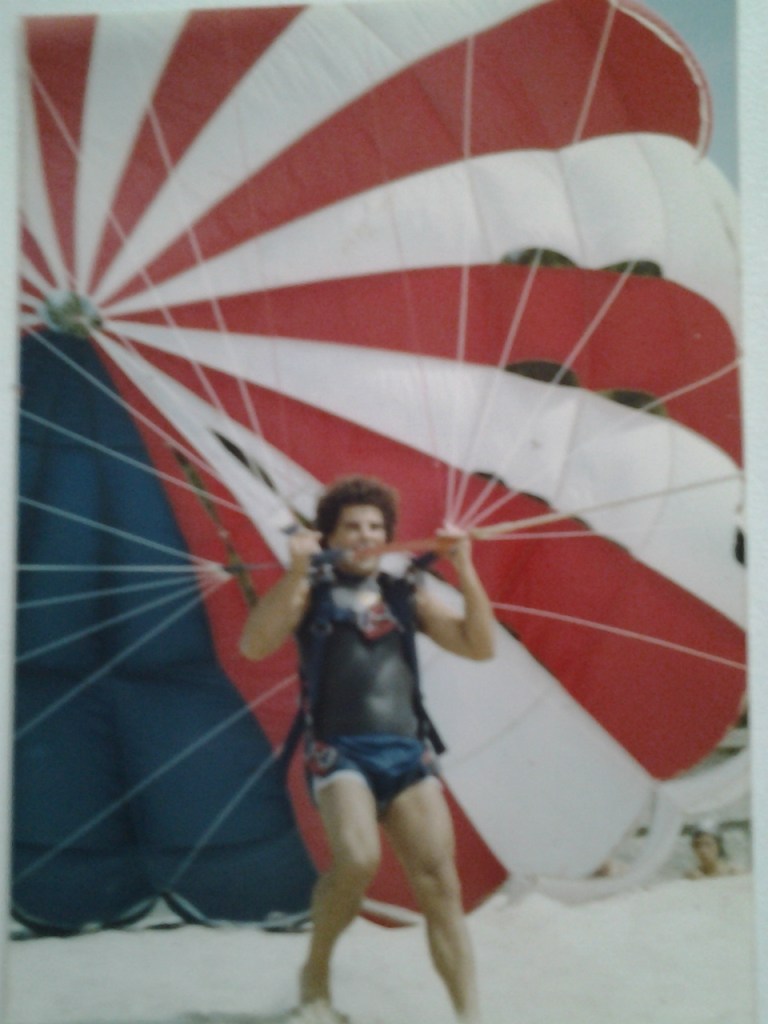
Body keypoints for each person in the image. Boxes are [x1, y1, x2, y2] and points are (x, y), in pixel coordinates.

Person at [240, 475, 495, 1024]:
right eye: (352, 527)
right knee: (358, 859)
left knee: (440, 885)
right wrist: (296, 571)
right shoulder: (309, 592)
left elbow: (480, 647)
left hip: (407, 753)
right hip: (340, 753)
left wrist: (465, 568)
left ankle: (469, 1015)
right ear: (329, 536)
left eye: (376, 527)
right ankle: (315, 974)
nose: (365, 536)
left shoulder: (405, 594)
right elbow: (254, 644)